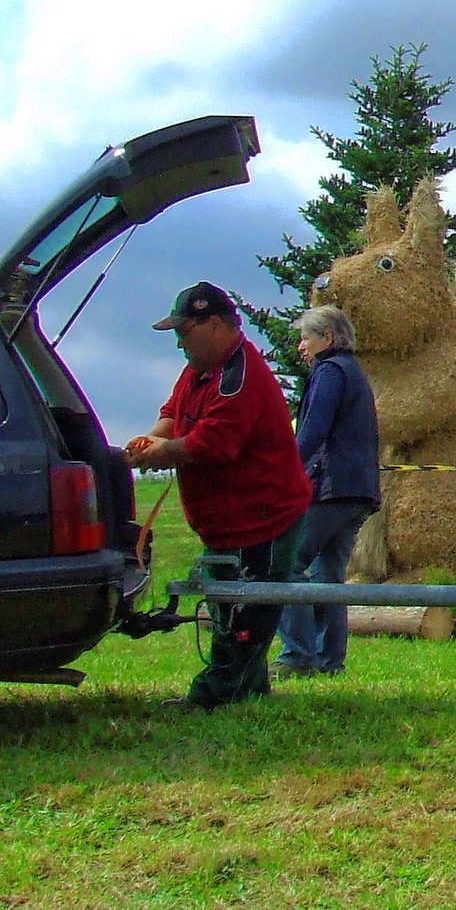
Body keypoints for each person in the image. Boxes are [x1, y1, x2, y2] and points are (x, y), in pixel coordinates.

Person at [127, 281, 311, 710]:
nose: (179, 344)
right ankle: (248, 689)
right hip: (232, 524)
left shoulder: (238, 378)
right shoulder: (199, 370)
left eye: (184, 332)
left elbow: (214, 443)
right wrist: (147, 442)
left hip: (264, 521)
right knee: (231, 609)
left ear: (213, 325)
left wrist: (160, 453)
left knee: (244, 614)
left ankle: (214, 696)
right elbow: (173, 414)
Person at [273, 305, 381, 679]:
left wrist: (284, 472)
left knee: (285, 563)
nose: (301, 346)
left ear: (328, 338)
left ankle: (297, 656)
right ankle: (329, 660)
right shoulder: (354, 371)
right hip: (359, 490)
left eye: (306, 338)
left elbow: (313, 429)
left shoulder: (329, 371)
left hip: (330, 487)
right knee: (329, 577)